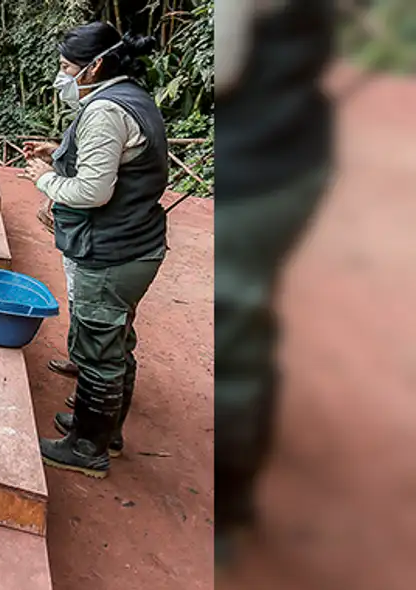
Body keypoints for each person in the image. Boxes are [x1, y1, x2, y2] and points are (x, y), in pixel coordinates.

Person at [213, 0, 334, 570]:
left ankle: (229, 504)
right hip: (296, 149)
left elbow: (227, 61)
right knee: (247, 321)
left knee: (232, 339)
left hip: (260, 168)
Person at [21, 22, 166, 479]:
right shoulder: (132, 97)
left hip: (112, 250)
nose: (63, 77)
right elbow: (113, 158)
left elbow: (91, 190)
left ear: (97, 65)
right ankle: (103, 428)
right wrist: (60, 149)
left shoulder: (105, 110)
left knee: (99, 348)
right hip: (135, 244)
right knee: (114, 340)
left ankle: (88, 447)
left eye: (68, 68)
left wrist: (43, 178)